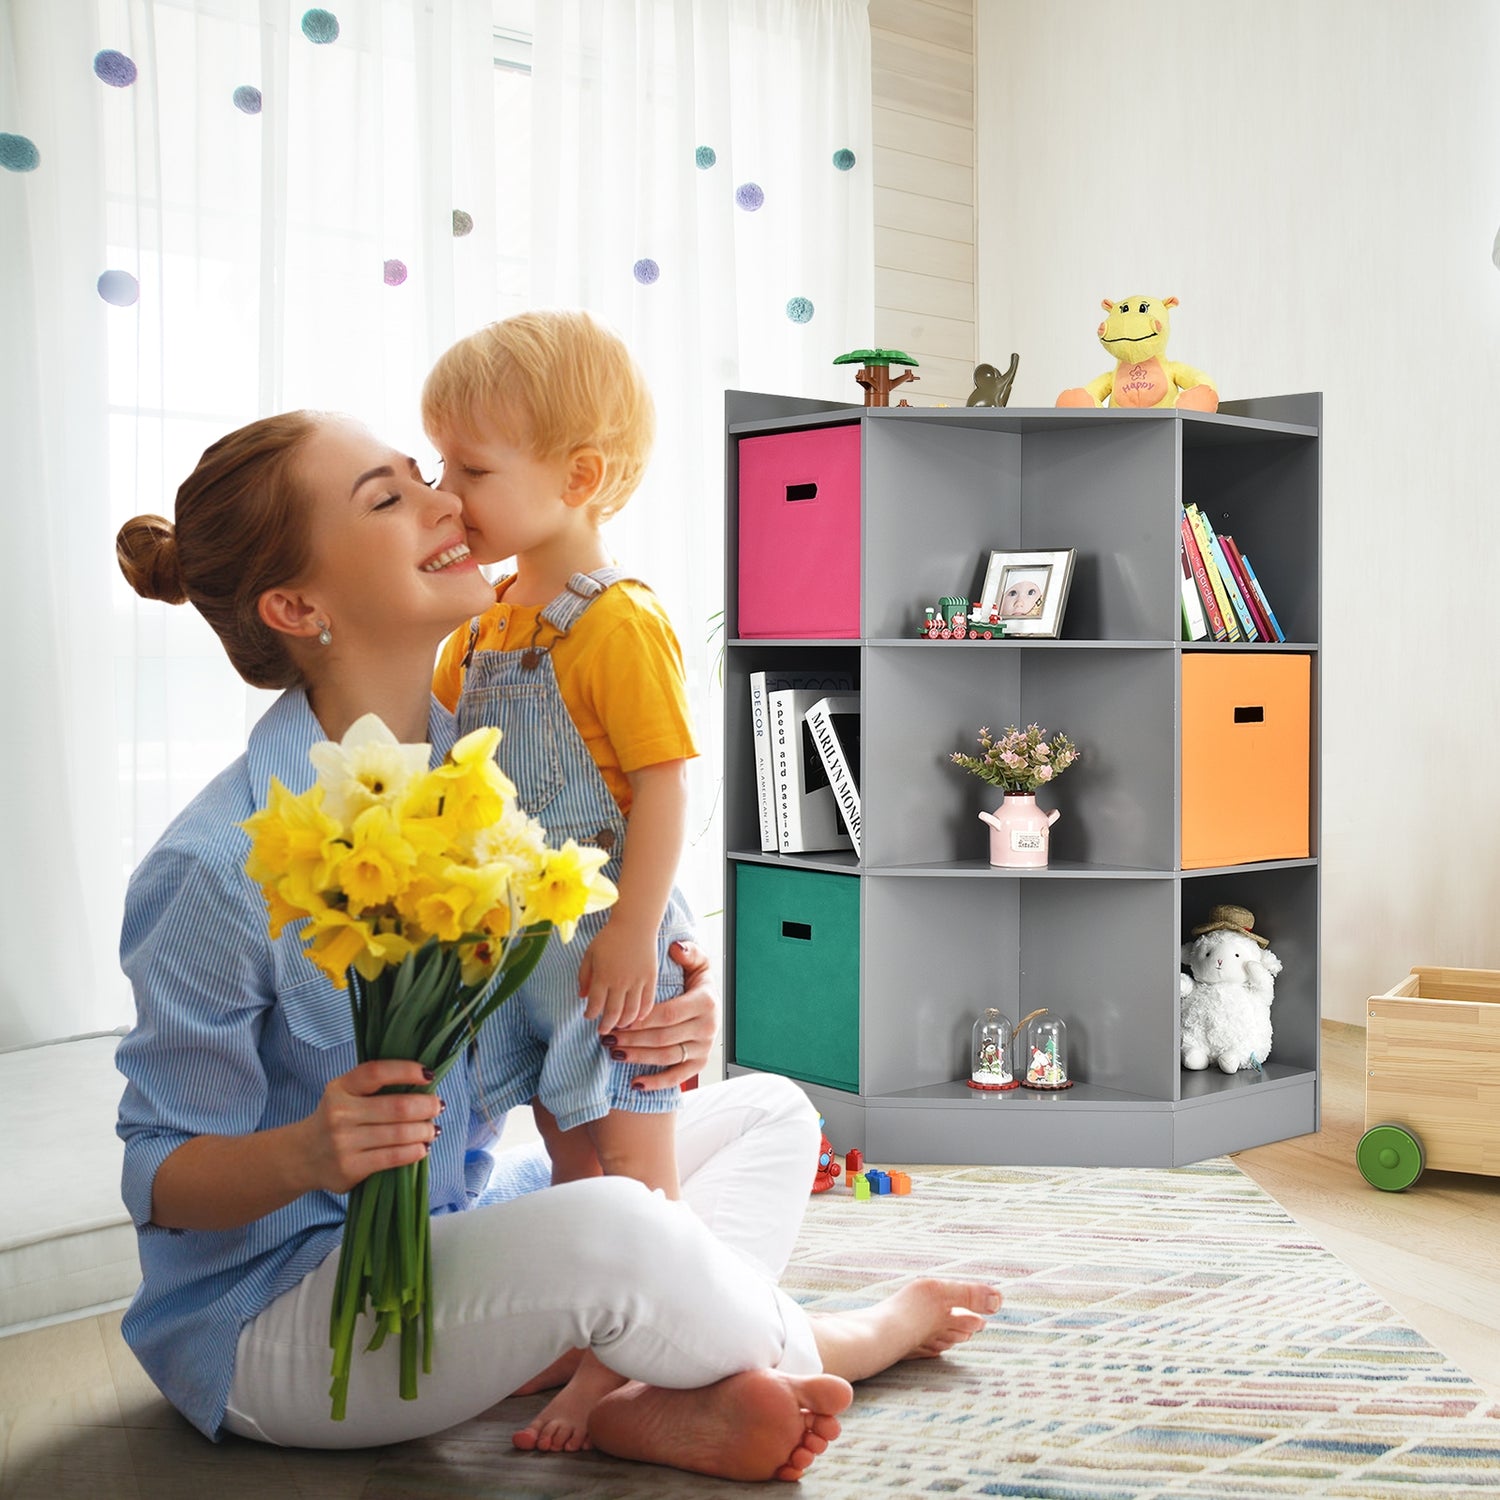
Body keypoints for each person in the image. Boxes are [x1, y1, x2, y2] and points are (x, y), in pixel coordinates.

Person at [113, 409, 1002, 1477]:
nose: (447, 501)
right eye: (389, 498)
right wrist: (310, 1153)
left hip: (461, 1221)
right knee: (618, 1228)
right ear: (299, 606)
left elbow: (548, 1028)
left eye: (421, 473)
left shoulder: (503, 788)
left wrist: (657, 1018)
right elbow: (161, 1175)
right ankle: (852, 1339)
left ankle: (631, 1387)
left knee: (774, 1111)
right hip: (286, 1315)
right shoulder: (215, 864)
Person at [422, 310, 698, 1448]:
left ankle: (646, 1355)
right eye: (438, 465)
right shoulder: (481, 630)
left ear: (578, 477)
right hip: (521, 947)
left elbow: (666, 786)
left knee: (632, 1166)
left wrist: (634, 933)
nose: (447, 495)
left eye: (471, 470)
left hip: (602, 933)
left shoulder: (616, 624)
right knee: (568, 1150)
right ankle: (594, 1339)